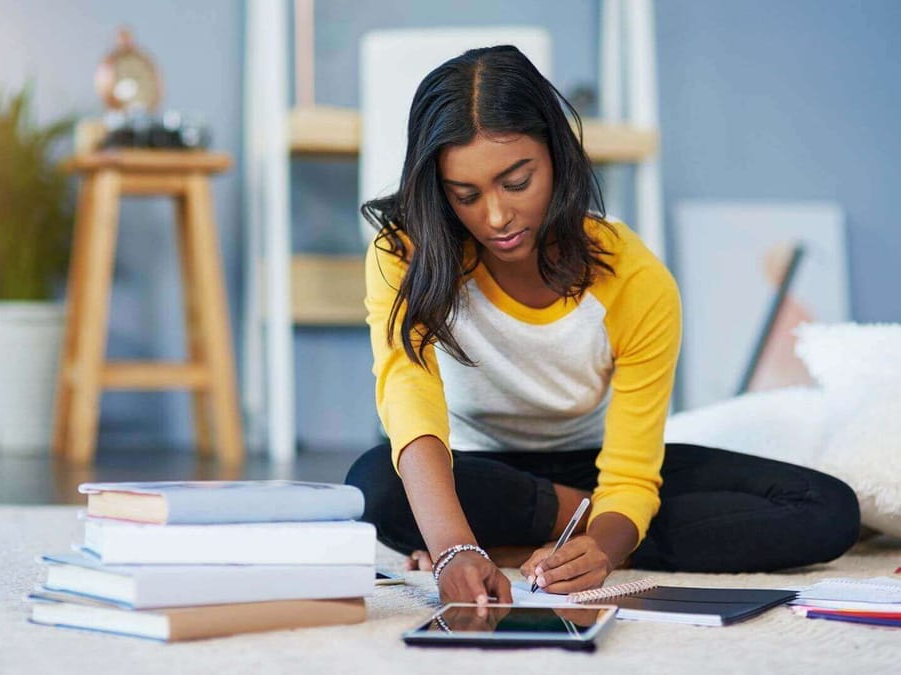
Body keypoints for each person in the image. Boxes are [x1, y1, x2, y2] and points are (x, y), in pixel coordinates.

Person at [344, 45, 860, 606]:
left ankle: (538, 542)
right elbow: (408, 394)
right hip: (473, 469)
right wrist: (453, 547)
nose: (494, 217)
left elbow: (633, 469)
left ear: (558, 154)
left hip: (595, 460)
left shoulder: (636, 279)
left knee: (827, 509)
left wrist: (606, 544)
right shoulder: (406, 252)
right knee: (376, 485)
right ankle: (545, 531)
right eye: (465, 195)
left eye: (516, 182)